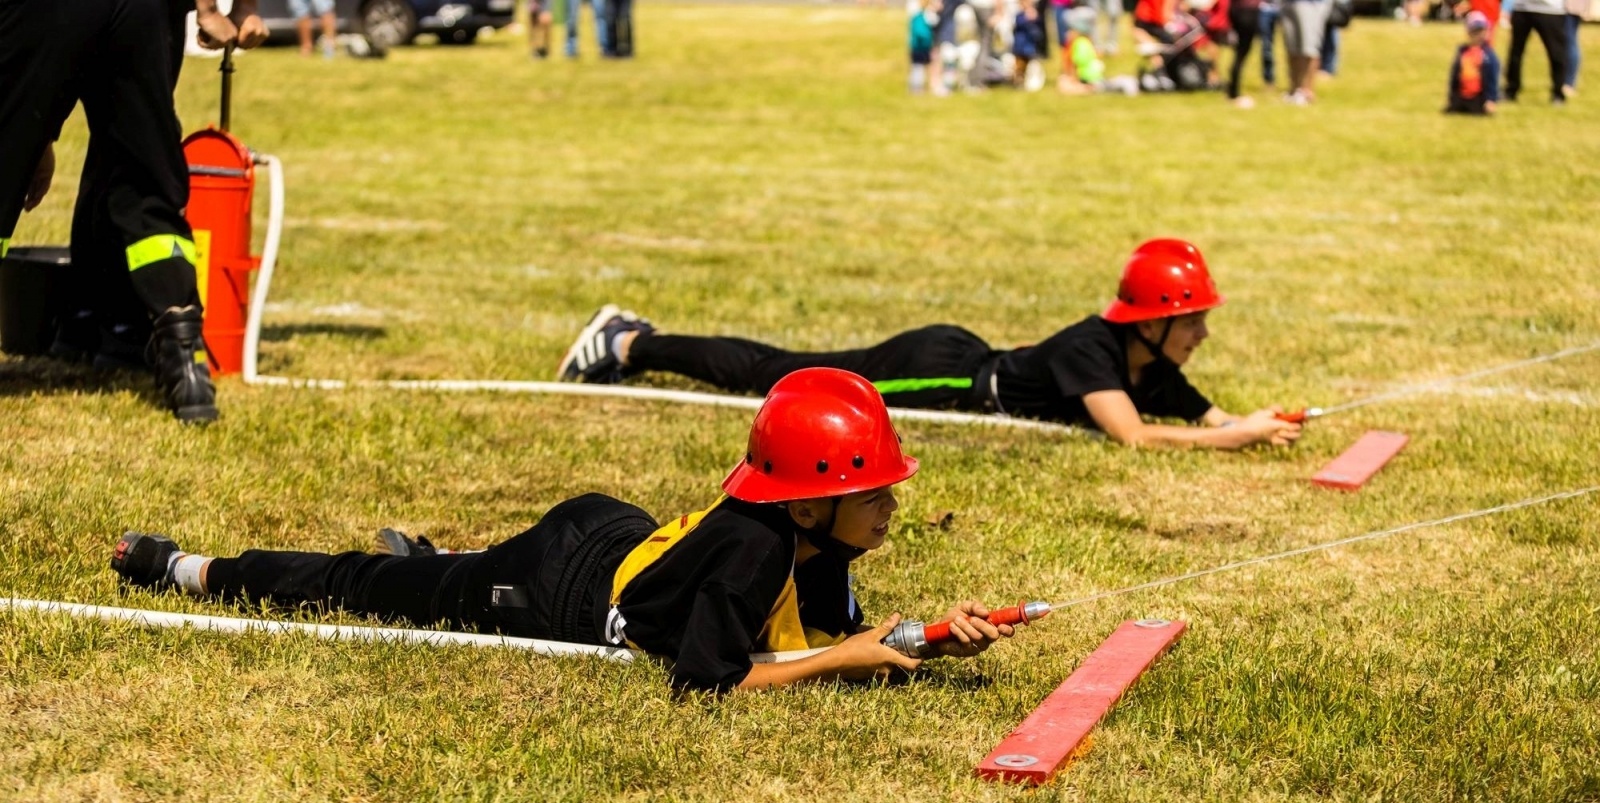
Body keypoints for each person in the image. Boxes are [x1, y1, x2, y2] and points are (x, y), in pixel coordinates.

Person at [110, 370, 1018, 694]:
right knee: (368, 588)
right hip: (559, 581)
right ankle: (188, 567)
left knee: (451, 574)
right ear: (808, 502)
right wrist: (845, 662)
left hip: (618, 535)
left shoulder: (814, 540)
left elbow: (816, 635)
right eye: (873, 490)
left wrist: (928, 640)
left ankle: (448, 563)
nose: (892, 504)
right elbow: (709, 682)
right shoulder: (754, 549)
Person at [559, 240, 1304, 450]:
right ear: (1150, 320)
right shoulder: (1094, 351)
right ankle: (627, 344)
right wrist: (1235, 439)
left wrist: (1255, 424)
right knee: (779, 378)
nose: (1203, 332)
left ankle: (631, 341)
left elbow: (1209, 417)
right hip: (936, 375)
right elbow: (1134, 437)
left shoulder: (1155, 364)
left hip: (961, 354)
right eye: (1193, 319)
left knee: (780, 373)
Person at [1, 0, 266, 425]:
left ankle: (109, 328)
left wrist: (34, 130)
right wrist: (238, 8)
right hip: (145, 12)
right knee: (146, 183)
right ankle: (183, 359)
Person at [1504, 0, 1569, 101]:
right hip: (1522, 7)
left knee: (1556, 54)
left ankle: (1558, 93)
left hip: (1551, 10)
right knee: (1515, 53)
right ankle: (1511, 90)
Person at [1446, 11, 1502, 112]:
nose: (1479, 35)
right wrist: (1452, 95)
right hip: (1462, 95)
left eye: (1481, 31)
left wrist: (1491, 99)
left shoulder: (1488, 55)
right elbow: (1454, 75)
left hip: (1478, 97)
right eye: (1475, 32)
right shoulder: (1462, 51)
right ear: (1468, 32)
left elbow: (1492, 77)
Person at [1278, 0, 1332, 102]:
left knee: (1309, 48)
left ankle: (1307, 92)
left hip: (1311, 4)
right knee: (1292, 48)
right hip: (1288, 3)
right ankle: (1294, 90)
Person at [1227, 0, 1264, 104]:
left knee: (1239, 53)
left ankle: (1233, 90)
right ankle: (1234, 92)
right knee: (1241, 53)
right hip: (1247, 12)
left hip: (1236, 10)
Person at [910, 0, 942, 92]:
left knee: (924, 68)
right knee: (918, 68)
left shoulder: (931, 17)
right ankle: (916, 89)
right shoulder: (919, 17)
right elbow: (919, 32)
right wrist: (929, 37)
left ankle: (923, 87)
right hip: (918, 48)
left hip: (925, 47)